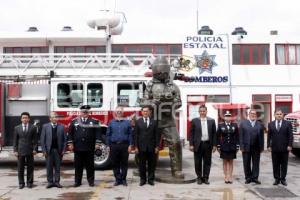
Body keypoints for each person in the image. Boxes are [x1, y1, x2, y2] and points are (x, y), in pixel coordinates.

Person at [140, 56, 184, 179]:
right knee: (147, 145)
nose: (161, 73)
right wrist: (153, 103)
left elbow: (179, 102)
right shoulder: (150, 85)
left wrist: (169, 105)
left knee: (175, 143)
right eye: (159, 71)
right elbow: (143, 102)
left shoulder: (173, 86)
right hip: (153, 120)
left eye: (163, 71)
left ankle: (176, 170)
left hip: (168, 120)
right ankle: (147, 169)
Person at [67, 105, 101, 187]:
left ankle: (91, 181)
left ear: (89, 112)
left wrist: (97, 143)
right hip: (78, 147)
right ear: (80, 112)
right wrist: (70, 143)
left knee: (90, 166)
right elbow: (70, 133)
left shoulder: (94, 121)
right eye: (83, 112)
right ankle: (77, 181)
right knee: (78, 166)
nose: (85, 113)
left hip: (89, 147)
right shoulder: (74, 121)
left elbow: (98, 133)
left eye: (86, 112)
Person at [189, 105, 217, 185]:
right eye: (201, 111)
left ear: (206, 111)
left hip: (208, 144)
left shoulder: (211, 121)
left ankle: (206, 178)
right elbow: (191, 133)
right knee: (197, 162)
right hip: (198, 144)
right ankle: (199, 177)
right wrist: (191, 144)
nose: (202, 112)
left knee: (207, 162)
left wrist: (214, 145)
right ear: (199, 112)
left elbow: (214, 134)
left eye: (203, 111)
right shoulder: (194, 121)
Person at [106, 106, 133, 186]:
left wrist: (130, 145)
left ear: (123, 112)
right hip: (114, 145)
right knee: (115, 163)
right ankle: (118, 179)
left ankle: (124, 179)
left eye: (120, 111)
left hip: (124, 145)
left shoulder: (127, 122)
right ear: (115, 112)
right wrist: (108, 145)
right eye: (117, 111)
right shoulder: (111, 122)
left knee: (124, 163)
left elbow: (130, 134)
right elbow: (108, 135)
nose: (119, 112)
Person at [135, 105, 160, 186]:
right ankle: (143, 179)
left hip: (152, 147)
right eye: (144, 111)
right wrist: (136, 147)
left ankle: (150, 179)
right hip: (141, 147)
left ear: (150, 112)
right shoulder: (138, 122)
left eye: (147, 111)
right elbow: (136, 135)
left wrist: (157, 146)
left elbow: (157, 135)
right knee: (142, 165)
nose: (145, 112)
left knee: (151, 165)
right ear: (142, 112)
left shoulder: (154, 122)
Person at [267, 108, 293, 186]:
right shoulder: (270, 124)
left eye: (280, 114)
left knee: (284, 164)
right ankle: (277, 179)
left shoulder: (287, 123)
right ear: (274, 115)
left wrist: (290, 145)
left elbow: (290, 136)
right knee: (275, 164)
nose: (279, 115)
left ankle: (283, 179)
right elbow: (269, 136)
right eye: (277, 114)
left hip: (285, 148)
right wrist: (268, 145)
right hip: (274, 148)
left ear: (283, 115)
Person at [41, 112, 67, 188]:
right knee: (49, 167)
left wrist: (63, 150)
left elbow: (65, 140)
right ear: (50, 119)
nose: (54, 118)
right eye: (52, 117)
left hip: (58, 151)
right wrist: (44, 151)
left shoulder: (62, 127)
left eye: (56, 117)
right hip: (49, 151)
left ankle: (57, 182)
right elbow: (42, 140)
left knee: (57, 167)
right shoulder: (45, 126)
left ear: (57, 118)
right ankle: (50, 182)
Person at [13, 112, 38, 189]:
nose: (25, 119)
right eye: (23, 118)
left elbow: (35, 140)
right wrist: (15, 150)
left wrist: (35, 149)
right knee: (20, 168)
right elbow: (15, 140)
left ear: (29, 119)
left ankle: (29, 182)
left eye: (26, 118)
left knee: (30, 167)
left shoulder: (33, 127)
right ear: (21, 119)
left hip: (30, 150)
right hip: (20, 150)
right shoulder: (17, 128)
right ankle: (21, 183)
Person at [239, 109, 264, 184]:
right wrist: (241, 147)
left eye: (254, 114)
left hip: (256, 147)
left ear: (256, 115)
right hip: (246, 146)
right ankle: (248, 177)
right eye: (251, 113)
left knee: (256, 163)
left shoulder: (260, 124)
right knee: (246, 163)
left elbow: (262, 137)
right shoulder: (243, 123)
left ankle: (255, 177)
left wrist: (262, 147)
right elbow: (241, 136)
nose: (253, 115)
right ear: (248, 115)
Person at [216, 111, 239, 184]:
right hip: (224, 146)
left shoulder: (235, 125)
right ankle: (226, 176)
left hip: (232, 146)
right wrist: (218, 146)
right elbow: (218, 136)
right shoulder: (220, 125)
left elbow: (237, 136)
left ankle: (230, 176)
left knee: (231, 162)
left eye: (229, 116)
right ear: (224, 118)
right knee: (225, 162)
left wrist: (237, 145)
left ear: (231, 117)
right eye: (226, 116)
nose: (228, 117)